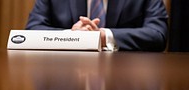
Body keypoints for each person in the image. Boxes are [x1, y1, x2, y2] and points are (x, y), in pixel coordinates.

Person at [26, 0, 168, 51]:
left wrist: (104, 36)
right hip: (65, 76)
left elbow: (157, 34)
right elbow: (32, 29)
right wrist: (71, 36)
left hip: (126, 78)